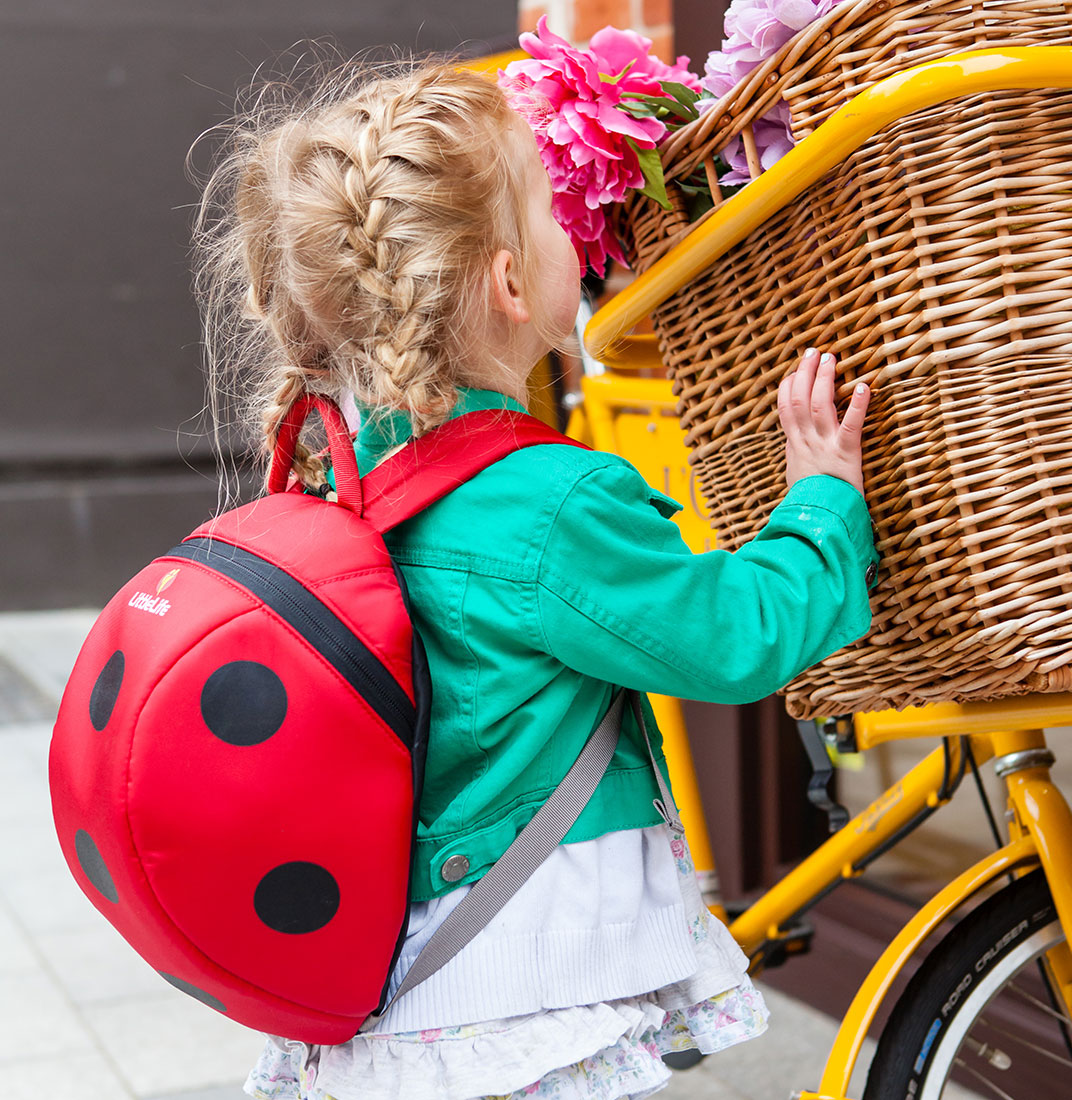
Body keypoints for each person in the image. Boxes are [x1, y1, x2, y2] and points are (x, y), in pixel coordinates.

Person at [192, 56, 876, 1100]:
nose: (574, 236)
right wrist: (821, 498)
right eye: (555, 216)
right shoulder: (547, 503)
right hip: (520, 982)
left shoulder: (338, 472)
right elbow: (735, 636)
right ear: (512, 282)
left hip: (400, 975)